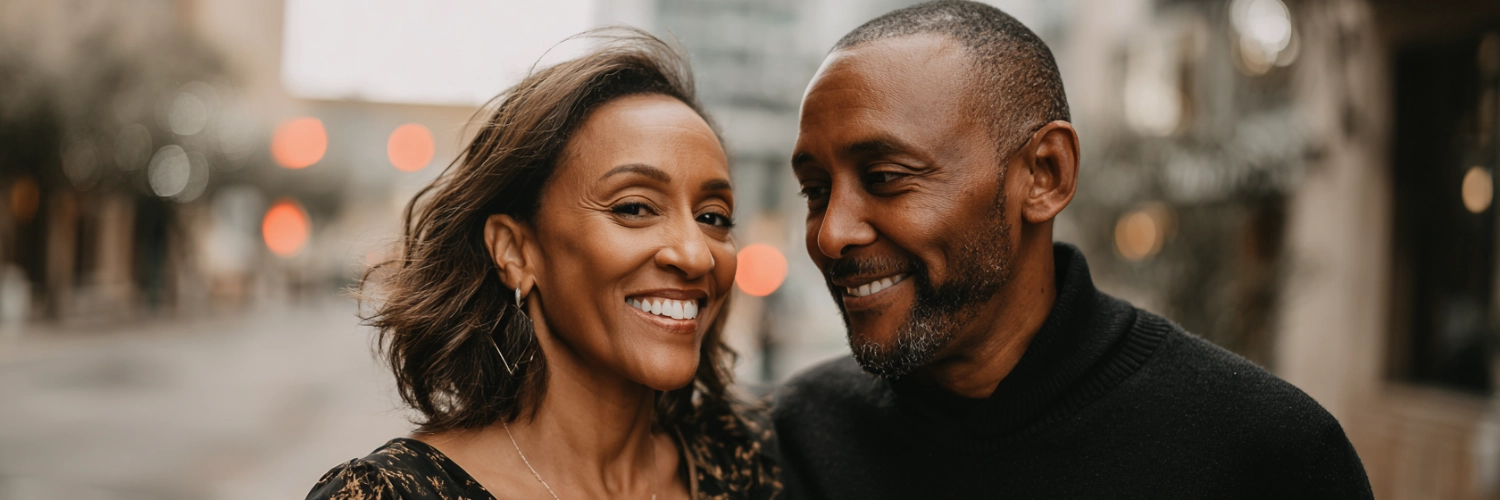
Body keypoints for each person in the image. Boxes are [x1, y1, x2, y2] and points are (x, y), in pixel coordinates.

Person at [772, 1, 1372, 498]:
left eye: (885, 177)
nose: (831, 234)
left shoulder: (1265, 453)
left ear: (1044, 175)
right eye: (816, 191)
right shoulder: (796, 438)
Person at [307, 29, 780, 500]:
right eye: (634, 208)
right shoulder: (391, 494)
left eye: (713, 217)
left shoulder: (750, 466)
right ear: (515, 251)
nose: (696, 254)